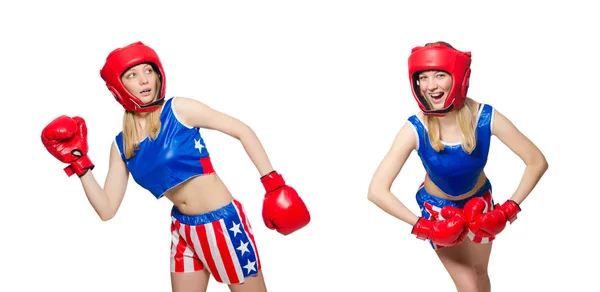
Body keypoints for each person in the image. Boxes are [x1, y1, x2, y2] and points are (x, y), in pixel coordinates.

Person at [41, 41, 311, 292]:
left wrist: (273, 184)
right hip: (182, 228)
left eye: (148, 70)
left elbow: (242, 130)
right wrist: (80, 164)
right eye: (132, 75)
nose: (144, 79)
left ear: (159, 75)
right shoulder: (121, 144)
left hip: (222, 223)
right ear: (118, 86)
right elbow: (106, 209)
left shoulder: (179, 109)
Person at [367, 41, 548, 292]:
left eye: (440, 75)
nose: (431, 85)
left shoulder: (484, 117)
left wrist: (508, 209)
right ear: (416, 82)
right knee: (469, 287)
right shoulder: (415, 128)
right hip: (439, 211)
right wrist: (424, 225)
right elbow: (376, 190)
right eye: (424, 77)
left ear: (458, 78)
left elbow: (536, 161)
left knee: (481, 274)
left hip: (481, 205)